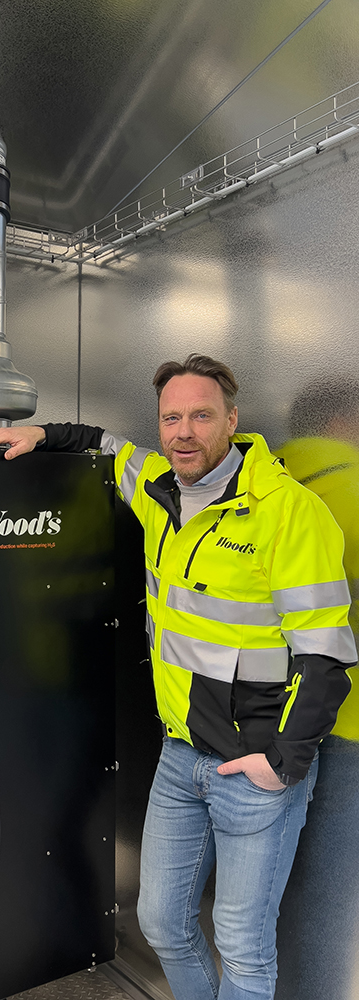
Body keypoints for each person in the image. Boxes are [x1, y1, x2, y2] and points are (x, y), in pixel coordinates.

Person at [0, 353, 355, 1000]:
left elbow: (326, 656)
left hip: (255, 766)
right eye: (170, 418)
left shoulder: (289, 512)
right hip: (180, 758)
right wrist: (41, 434)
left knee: (242, 944)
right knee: (161, 922)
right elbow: (103, 444)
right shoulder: (157, 487)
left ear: (232, 420)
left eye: (201, 416)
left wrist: (281, 760)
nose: (183, 432)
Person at [273, 380, 359, 1000]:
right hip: (347, 727)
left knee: (270, 890)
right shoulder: (352, 491)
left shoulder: (261, 485)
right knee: (329, 900)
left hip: (261, 723)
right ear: (342, 421)